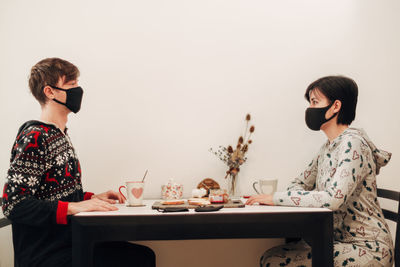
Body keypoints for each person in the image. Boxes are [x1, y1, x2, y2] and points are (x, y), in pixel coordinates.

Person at [1, 58, 155, 267]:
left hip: (69, 241)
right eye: (71, 85)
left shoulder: (59, 135)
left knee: (141, 256)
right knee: (137, 259)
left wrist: (91, 198)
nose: (78, 90)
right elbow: (14, 204)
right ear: (50, 92)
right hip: (45, 253)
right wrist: (75, 206)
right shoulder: (35, 137)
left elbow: (54, 196)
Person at [246, 76, 393, 267]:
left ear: (335, 106)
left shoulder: (353, 143)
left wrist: (274, 198)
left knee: (274, 261)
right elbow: (297, 184)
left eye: (315, 102)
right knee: (271, 257)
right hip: (338, 242)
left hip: (368, 248)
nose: (310, 109)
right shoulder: (327, 148)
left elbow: (333, 199)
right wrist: (307, 196)